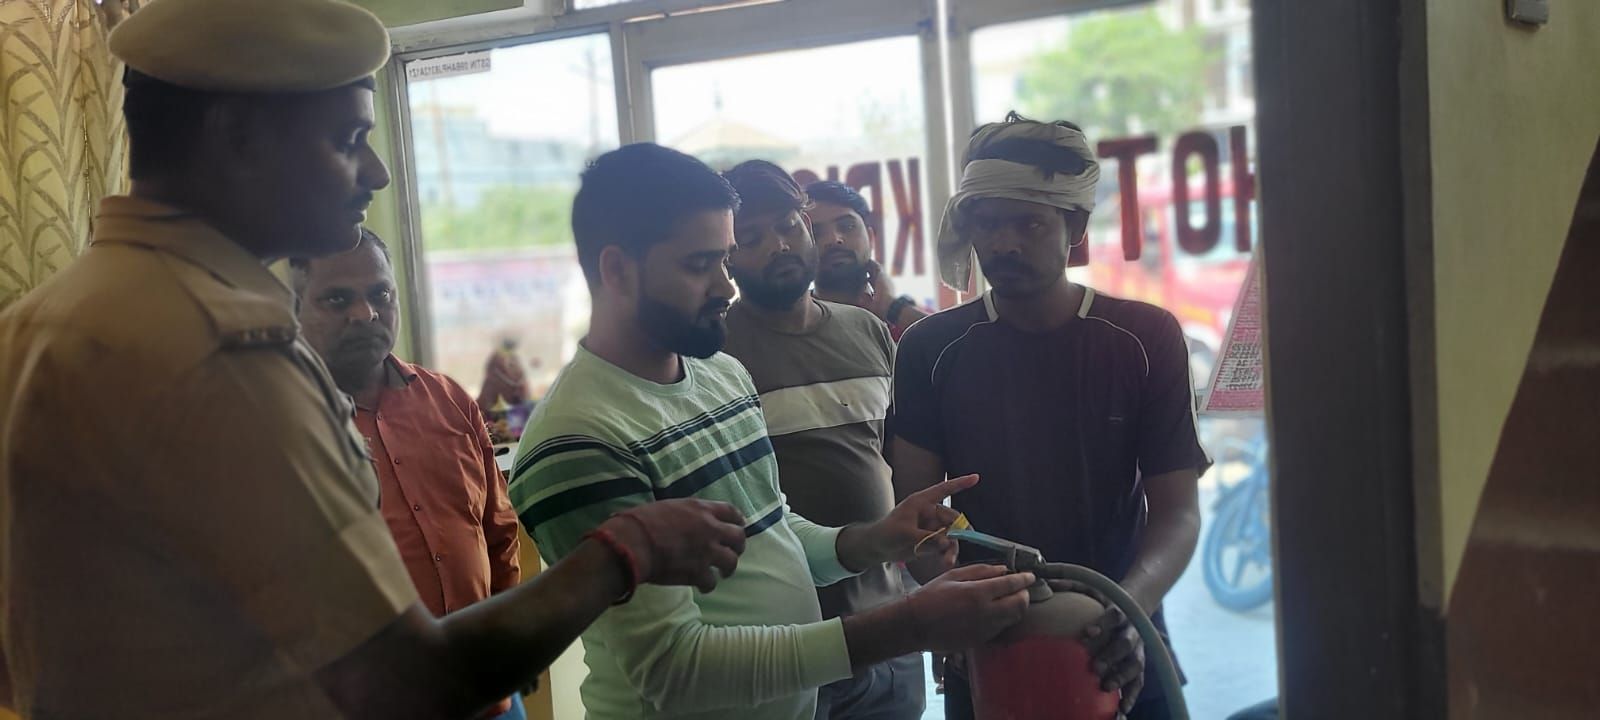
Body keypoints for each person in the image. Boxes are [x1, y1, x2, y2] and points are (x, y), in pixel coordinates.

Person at [0, 2, 746, 718]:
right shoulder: (226, 353)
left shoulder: (35, 325)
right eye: (349, 139)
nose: (378, 173)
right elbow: (407, 685)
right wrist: (626, 550)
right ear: (238, 137)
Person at [509, 143, 1037, 720]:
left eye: (724, 259)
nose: (725, 286)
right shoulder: (579, 442)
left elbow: (773, 530)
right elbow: (673, 670)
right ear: (616, 270)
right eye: (699, 265)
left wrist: (874, 540)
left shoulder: (720, 374)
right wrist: (910, 625)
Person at [893, 113, 1211, 720]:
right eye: (987, 222)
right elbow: (918, 520)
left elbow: (1178, 513)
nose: (1003, 243)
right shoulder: (930, 349)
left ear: (1076, 227)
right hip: (988, 640)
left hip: (1120, 641)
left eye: (1029, 222)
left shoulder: (1145, 338)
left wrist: (1129, 610)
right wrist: (947, 597)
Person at [292, 229, 526, 719]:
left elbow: (497, 530)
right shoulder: (283, 426)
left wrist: (514, 640)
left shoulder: (449, 400)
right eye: (337, 299)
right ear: (295, 309)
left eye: (380, 293)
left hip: (489, 684)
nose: (365, 313)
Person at [719, 161, 920, 720]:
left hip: (889, 628)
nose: (778, 245)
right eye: (752, 238)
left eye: (788, 225)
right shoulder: (712, 353)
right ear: (727, 256)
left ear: (807, 226)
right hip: (787, 646)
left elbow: (893, 464)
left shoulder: (868, 331)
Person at [806, 181, 928, 340]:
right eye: (815, 233)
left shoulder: (907, 317)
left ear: (871, 238)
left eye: (848, 227)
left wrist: (892, 308)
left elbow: (954, 346)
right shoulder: (790, 326)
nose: (834, 239)